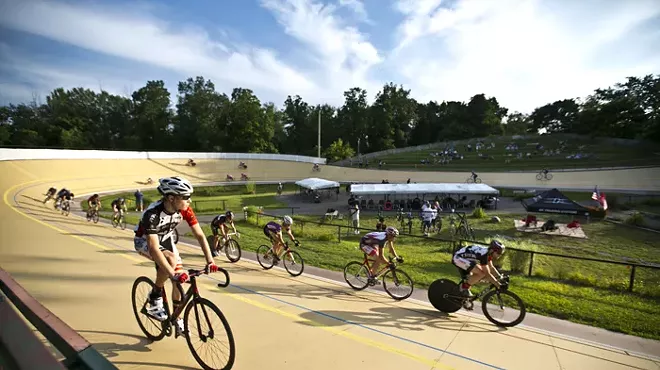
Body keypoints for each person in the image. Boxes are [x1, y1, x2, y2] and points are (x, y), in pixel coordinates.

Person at [132, 176, 218, 337]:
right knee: (170, 262)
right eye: (185, 197)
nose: (189, 201)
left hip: (166, 239)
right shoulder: (152, 214)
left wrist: (210, 261)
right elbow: (153, 248)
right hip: (145, 240)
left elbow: (200, 235)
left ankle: (176, 318)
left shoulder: (184, 210)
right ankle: (154, 296)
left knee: (178, 281)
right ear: (171, 198)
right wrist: (172, 274)